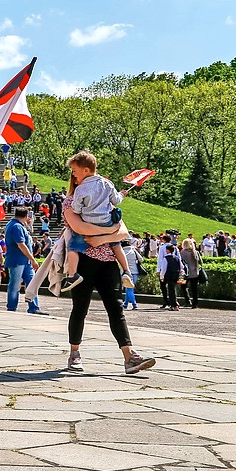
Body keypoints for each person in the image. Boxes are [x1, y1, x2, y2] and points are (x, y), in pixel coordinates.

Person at [61, 210, 158, 375]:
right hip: (83, 262)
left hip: (108, 264)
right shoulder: (73, 201)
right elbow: (79, 227)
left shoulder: (107, 202)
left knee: (116, 309)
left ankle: (129, 357)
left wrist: (103, 238)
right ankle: (74, 353)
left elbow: (123, 232)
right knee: (80, 309)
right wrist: (110, 231)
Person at [60, 152, 131, 293]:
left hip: (88, 229)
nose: (74, 175)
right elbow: (116, 202)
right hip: (107, 222)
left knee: (73, 246)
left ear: (85, 170)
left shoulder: (81, 189)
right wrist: (110, 231)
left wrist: (101, 237)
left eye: (74, 171)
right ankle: (127, 271)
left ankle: (72, 275)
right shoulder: (107, 184)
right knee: (117, 246)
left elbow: (79, 222)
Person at [4, 208, 38, 313]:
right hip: (18, 260)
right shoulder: (16, 227)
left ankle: (33, 306)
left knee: (32, 282)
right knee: (15, 284)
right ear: (25, 216)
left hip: (23, 261)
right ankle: (12, 306)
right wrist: (32, 259)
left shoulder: (16, 225)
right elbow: (21, 245)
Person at [178, 238, 203, 309]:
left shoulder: (182, 252)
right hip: (195, 273)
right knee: (194, 289)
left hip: (184, 273)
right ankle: (195, 303)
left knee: (183, 287)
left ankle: (187, 301)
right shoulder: (195, 252)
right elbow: (201, 262)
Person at [121, 241, 141, 310]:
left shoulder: (122, 252)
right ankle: (125, 304)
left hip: (127, 272)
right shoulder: (133, 251)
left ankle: (134, 304)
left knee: (129, 289)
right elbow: (141, 259)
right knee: (129, 288)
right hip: (135, 272)